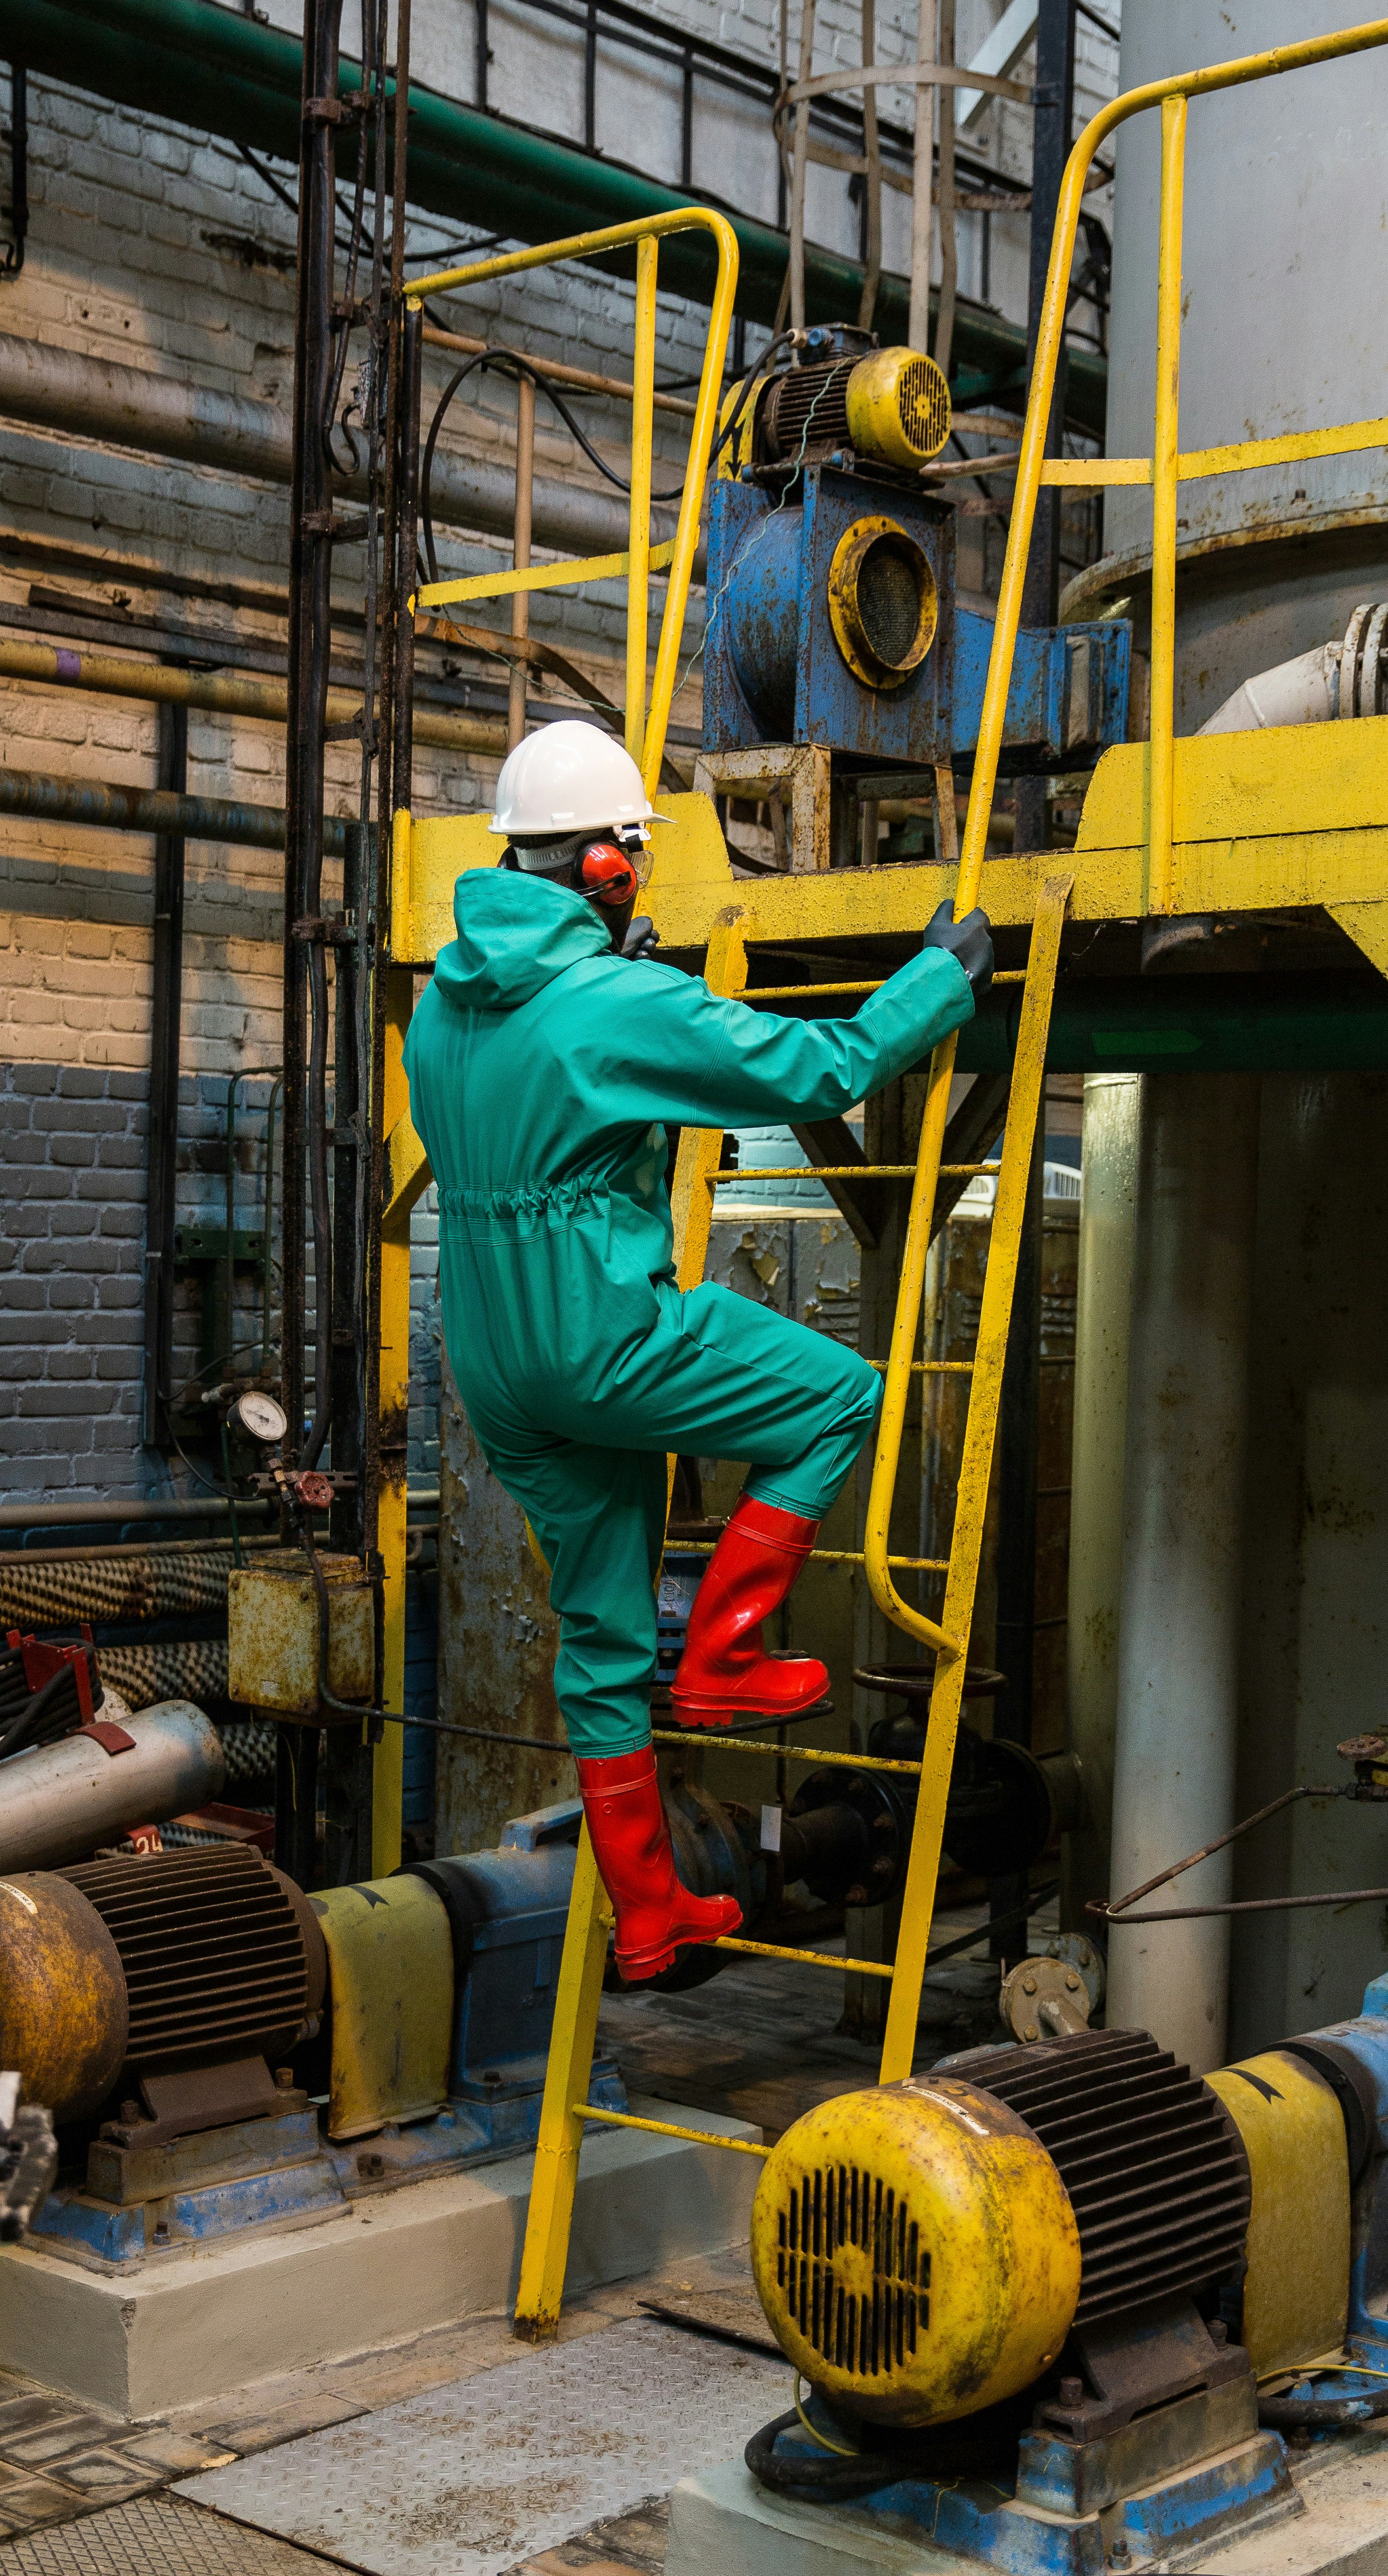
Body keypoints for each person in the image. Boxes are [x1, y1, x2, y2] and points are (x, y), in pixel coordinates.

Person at [403, 720, 993, 1980]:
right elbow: (818, 1073)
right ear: (610, 865)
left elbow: (539, 1125)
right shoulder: (617, 1001)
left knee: (603, 1641)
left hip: (494, 1360)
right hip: (596, 1333)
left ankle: (653, 1913)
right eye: (636, 857)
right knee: (841, 1397)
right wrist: (937, 978)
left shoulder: (439, 1013)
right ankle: (727, 1650)